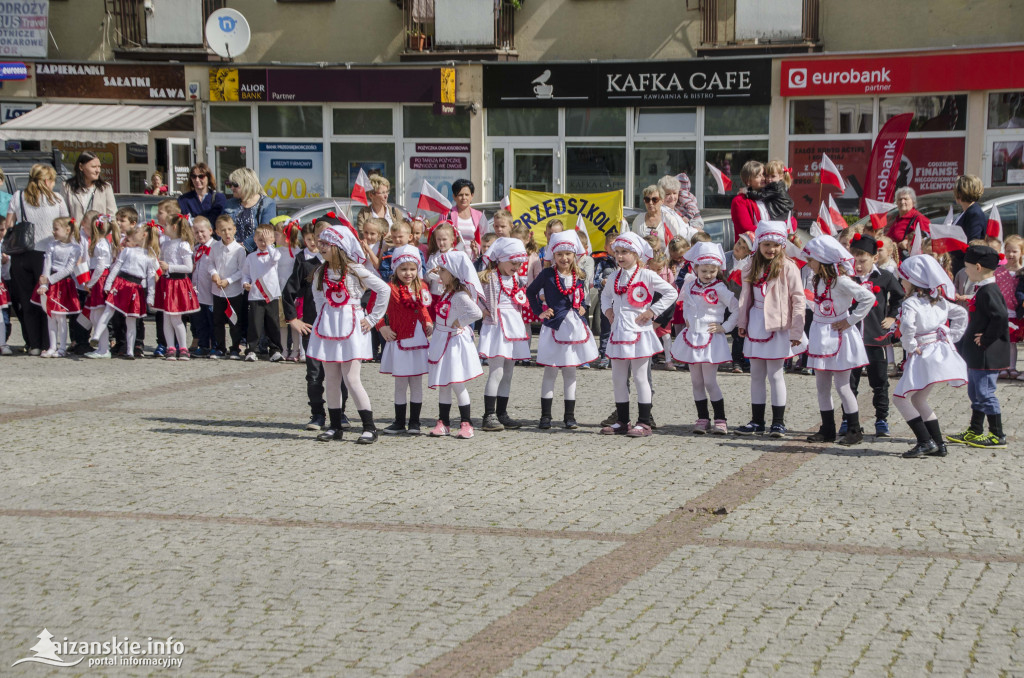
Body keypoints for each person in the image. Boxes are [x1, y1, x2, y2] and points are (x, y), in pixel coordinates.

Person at [305, 221, 391, 444]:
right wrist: (322, 317)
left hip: (351, 325)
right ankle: (335, 426)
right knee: (331, 379)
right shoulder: (320, 272)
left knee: (351, 378)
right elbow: (317, 297)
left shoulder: (355, 270)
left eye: (327, 244)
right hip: (328, 327)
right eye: (320, 243)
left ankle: (369, 427)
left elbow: (384, 289)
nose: (321, 247)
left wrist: (372, 319)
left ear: (340, 246)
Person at [600, 232, 677, 437]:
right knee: (618, 377)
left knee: (641, 377)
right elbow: (605, 296)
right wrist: (607, 310)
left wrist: (652, 311)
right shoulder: (615, 276)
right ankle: (622, 420)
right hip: (619, 332)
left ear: (636, 254)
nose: (620, 256)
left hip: (639, 332)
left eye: (624, 252)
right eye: (617, 252)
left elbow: (672, 292)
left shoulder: (647, 274)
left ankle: (644, 422)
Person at [801, 235, 876, 446]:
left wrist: (850, 320)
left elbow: (868, 298)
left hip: (838, 333)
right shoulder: (817, 279)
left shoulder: (841, 280)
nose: (808, 264)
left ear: (822, 259)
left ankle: (854, 428)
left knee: (843, 386)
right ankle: (827, 429)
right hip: (820, 332)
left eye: (811, 260)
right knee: (821, 386)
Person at [735, 220, 807, 437]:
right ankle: (757, 421)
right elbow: (744, 298)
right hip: (756, 322)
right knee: (756, 373)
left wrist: (796, 330)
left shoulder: (788, 267)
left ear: (782, 245)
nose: (771, 249)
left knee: (776, 374)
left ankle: (778, 421)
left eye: (775, 245)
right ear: (759, 244)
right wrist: (742, 323)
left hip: (778, 325)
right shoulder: (750, 266)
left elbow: (798, 299)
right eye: (766, 244)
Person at [893, 255, 968, 458]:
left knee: (900, 398)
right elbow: (961, 313)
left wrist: (910, 345)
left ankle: (925, 441)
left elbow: (908, 326)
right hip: (938, 351)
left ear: (914, 280)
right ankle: (939, 444)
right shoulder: (940, 301)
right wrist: (953, 335)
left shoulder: (911, 303)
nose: (901, 282)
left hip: (922, 354)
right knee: (918, 398)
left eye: (904, 278)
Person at [527, 230, 598, 429]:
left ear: (574, 255)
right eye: (559, 254)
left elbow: (583, 296)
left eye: (568, 254)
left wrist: (584, 306)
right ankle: (546, 416)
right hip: (554, 328)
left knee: (570, 372)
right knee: (550, 372)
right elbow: (531, 292)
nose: (564, 258)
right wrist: (539, 312)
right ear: (553, 256)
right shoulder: (547, 274)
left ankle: (569, 416)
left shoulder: (580, 275)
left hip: (574, 328)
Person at [668, 242, 737, 434]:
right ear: (696, 268)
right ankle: (702, 418)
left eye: (712, 271)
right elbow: (687, 305)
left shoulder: (721, 288)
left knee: (709, 381)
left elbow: (736, 308)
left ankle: (721, 419)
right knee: (696, 381)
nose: (708, 275)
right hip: (692, 338)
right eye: (704, 270)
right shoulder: (689, 286)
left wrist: (725, 327)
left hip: (711, 339)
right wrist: (689, 319)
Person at [285, 220, 347, 431]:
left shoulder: (344, 265)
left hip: (339, 328)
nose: (323, 243)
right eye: (320, 238)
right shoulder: (306, 261)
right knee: (314, 373)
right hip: (312, 326)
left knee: (341, 374)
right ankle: (317, 414)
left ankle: (341, 413)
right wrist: (293, 319)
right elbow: (289, 291)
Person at [945, 246, 1010, 449]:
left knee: (985, 393)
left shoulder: (989, 290)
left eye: (967, 267)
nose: (965, 271)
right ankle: (975, 430)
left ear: (978, 267)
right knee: (975, 392)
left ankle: (997, 434)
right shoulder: (983, 288)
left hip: (987, 354)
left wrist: (987, 338)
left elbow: (1000, 317)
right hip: (977, 354)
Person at [5, 164, 69, 354]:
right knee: (44, 299)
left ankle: (32, 343)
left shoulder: (18, 196)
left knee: (26, 301)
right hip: (46, 255)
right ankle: (47, 343)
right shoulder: (57, 199)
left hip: (21, 254)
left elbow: (9, 224)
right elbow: (65, 225)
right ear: (48, 180)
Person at [847, 233, 904, 437]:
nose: (858, 265)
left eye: (862, 261)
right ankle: (849, 418)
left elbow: (899, 298)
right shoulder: (847, 277)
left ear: (874, 258)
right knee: (849, 381)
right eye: (855, 260)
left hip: (876, 337)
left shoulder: (885, 277)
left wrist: (891, 317)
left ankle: (881, 419)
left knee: (879, 380)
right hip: (851, 337)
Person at [426, 250, 484, 439]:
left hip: (452, 344)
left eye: (443, 270)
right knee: (444, 384)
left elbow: (476, 313)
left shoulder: (459, 296)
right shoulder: (447, 292)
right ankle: (443, 422)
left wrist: (461, 321)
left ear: (452, 274)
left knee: (457, 384)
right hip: (441, 339)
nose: (439, 274)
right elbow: (430, 275)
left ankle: (466, 423)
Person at [376, 244, 434, 435]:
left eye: (412, 269)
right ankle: (399, 421)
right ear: (395, 269)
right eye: (403, 269)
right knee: (400, 383)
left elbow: (424, 308)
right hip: (399, 339)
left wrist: (428, 322)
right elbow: (374, 309)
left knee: (416, 383)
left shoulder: (422, 286)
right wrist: (382, 326)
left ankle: (415, 422)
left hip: (418, 341)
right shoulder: (388, 288)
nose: (408, 273)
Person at [477, 237, 531, 432]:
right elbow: (474, 296)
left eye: (519, 264)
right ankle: (488, 414)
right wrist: (482, 311)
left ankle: (502, 412)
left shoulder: (516, 278)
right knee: (497, 371)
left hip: (514, 325)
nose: (516, 267)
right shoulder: (489, 277)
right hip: (497, 326)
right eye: (513, 263)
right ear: (500, 259)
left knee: (508, 372)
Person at [89, 224, 160, 360]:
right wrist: (108, 283)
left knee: (131, 321)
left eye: (134, 234)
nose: (130, 237)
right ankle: (96, 336)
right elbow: (116, 267)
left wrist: (151, 296)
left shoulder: (150, 256)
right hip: (121, 283)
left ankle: (130, 351)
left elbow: (151, 278)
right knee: (109, 310)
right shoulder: (127, 251)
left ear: (144, 235)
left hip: (136, 287)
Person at [31, 216, 83, 357]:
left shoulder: (75, 248)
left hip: (63, 283)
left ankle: (62, 348)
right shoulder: (51, 245)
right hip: (50, 282)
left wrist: (50, 279)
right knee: (50, 315)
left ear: (67, 230)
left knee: (61, 317)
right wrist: (44, 283)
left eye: (56, 229)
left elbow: (68, 269)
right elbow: (47, 264)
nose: (53, 231)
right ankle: (52, 346)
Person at [152, 213, 199, 360]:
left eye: (166, 225)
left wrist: (169, 266)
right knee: (166, 317)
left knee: (176, 317)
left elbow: (188, 267)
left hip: (178, 284)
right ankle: (170, 347)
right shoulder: (165, 244)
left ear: (173, 227)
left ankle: (183, 347)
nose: (163, 227)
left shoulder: (183, 244)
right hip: (166, 282)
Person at [241, 224, 284, 363]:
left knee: (273, 324)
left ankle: (275, 350)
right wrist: (245, 283)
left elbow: (275, 258)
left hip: (271, 294)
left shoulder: (274, 253)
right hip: (255, 295)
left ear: (272, 239)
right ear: (254, 239)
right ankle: (252, 349)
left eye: (266, 240)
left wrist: (270, 244)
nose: (263, 243)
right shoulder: (251, 257)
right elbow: (245, 274)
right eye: (260, 240)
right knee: (255, 324)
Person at [209, 215, 247, 360]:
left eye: (230, 229)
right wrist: (214, 274)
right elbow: (210, 263)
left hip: (234, 291)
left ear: (235, 230)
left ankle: (235, 348)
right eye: (223, 230)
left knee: (234, 321)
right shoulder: (215, 247)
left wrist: (229, 280)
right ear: (217, 232)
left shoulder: (239, 250)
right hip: (218, 291)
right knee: (218, 320)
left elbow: (242, 270)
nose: (227, 233)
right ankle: (220, 347)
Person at [223, 167, 277, 253]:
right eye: (230, 184)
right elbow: (221, 226)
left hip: (256, 255)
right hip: (230, 253)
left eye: (235, 185)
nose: (232, 188)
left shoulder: (267, 203)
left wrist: (244, 246)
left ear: (247, 184)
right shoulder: (229, 204)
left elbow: (265, 230)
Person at [993, 234, 1023, 378]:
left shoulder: (1022, 272)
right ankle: (1002, 367)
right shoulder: (999, 271)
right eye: (1008, 250)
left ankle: (1012, 367)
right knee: (1001, 341)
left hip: (1016, 313)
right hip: (1001, 311)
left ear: (1022, 252)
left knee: (1012, 342)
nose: (1011, 254)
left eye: (1015, 251)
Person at [274, 219, 303, 361]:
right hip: (279, 292)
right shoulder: (276, 252)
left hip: (293, 294)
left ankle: (296, 349)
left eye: (277, 234)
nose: (275, 237)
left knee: (294, 323)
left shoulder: (299, 252)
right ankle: (284, 348)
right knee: (282, 323)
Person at [63, 151, 117, 223]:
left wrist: (103, 230)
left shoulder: (105, 188)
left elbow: (112, 215)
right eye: (94, 167)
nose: (98, 170)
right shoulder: (67, 187)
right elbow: (63, 216)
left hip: (99, 233)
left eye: (99, 166)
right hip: (76, 233)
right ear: (81, 167)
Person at [190, 216, 216, 358]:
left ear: (210, 231)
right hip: (198, 293)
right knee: (200, 322)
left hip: (211, 292)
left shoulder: (216, 247)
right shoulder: (196, 249)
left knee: (213, 321)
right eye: (196, 232)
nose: (200, 235)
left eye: (202, 231)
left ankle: (215, 345)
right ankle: (203, 345)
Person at [951, 175, 987, 274]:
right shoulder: (966, 212)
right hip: (959, 264)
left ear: (960, 193)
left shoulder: (974, 213)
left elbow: (973, 243)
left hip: (965, 267)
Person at [730, 160, 769, 244]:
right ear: (748, 181)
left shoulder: (770, 197)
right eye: (759, 176)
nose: (763, 178)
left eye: (764, 175)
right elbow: (745, 228)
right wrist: (772, 231)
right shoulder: (740, 201)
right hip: (751, 250)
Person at [883, 187, 929, 254]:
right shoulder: (897, 219)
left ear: (913, 201)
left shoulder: (919, 218)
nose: (902, 202)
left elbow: (927, 240)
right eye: (900, 199)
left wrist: (908, 242)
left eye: (906, 199)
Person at [448, 178, 484, 259]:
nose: (464, 198)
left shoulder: (479, 215)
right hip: (454, 261)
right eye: (460, 195)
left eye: (467, 195)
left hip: (474, 263)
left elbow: (484, 240)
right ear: (454, 196)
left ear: (472, 196)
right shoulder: (447, 214)